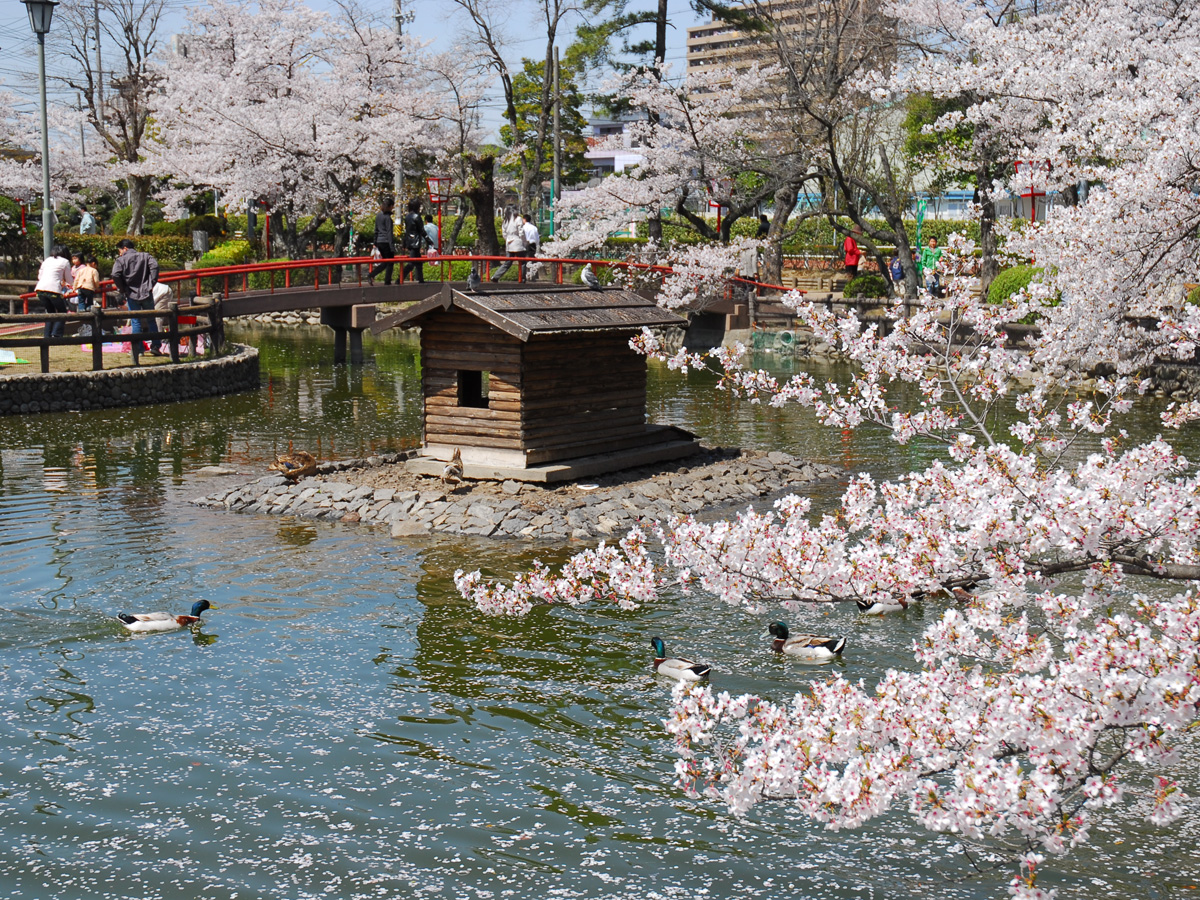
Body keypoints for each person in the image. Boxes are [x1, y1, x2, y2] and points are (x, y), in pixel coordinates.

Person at [110, 238, 160, 356]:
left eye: (120, 251)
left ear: (125, 248)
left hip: (131, 294)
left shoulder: (120, 260)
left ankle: (138, 349)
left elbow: (115, 274)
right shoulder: (145, 256)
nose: (120, 253)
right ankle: (156, 346)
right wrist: (151, 282)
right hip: (147, 292)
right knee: (151, 320)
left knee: (135, 321)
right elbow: (155, 266)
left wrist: (122, 288)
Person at [35, 245, 72, 340]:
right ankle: (56, 335)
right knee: (62, 312)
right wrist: (72, 285)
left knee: (50, 312)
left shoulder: (47, 260)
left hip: (40, 290)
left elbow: (40, 276)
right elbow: (69, 279)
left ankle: (47, 335)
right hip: (53, 290)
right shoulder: (65, 261)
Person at [491, 210, 527, 281]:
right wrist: (524, 241)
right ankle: (522, 278)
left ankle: (495, 276)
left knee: (508, 262)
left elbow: (504, 234)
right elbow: (521, 232)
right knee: (522, 262)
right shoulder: (518, 219)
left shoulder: (505, 220)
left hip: (509, 243)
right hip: (517, 243)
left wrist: (507, 239)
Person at [368, 197, 396, 285]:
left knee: (385, 262)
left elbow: (376, 230)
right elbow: (389, 233)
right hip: (386, 242)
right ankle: (386, 281)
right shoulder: (388, 218)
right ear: (390, 206)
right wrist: (392, 246)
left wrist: (375, 243)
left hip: (379, 242)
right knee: (390, 262)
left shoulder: (378, 216)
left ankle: (372, 275)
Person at [400, 198, 427, 283]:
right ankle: (400, 278)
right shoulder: (417, 216)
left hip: (409, 241)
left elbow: (407, 231)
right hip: (415, 242)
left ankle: (421, 279)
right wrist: (428, 240)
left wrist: (404, 243)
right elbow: (421, 230)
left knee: (419, 262)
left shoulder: (407, 216)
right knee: (412, 263)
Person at [521, 213, 540, 281]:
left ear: (524, 219)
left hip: (524, 244)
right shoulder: (534, 228)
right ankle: (533, 276)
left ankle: (523, 277)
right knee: (532, 260)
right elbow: (537, 238)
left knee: (523, 261)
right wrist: (537, 244)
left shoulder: (523, 227)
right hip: (532, 245)